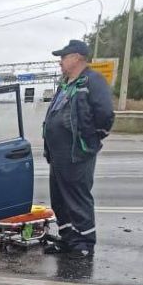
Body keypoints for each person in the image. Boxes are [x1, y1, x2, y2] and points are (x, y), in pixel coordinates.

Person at [43, 40, 114, 259]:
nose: (60, 62)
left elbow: (105, 114)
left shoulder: (92, 80)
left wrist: (91, 139)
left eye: (63, 57)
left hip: (77, 152)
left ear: (77, 57)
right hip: (58, 154)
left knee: (77, 198)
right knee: (59, 198)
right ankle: (68, 239)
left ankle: (84, 243)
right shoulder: (66, 83)